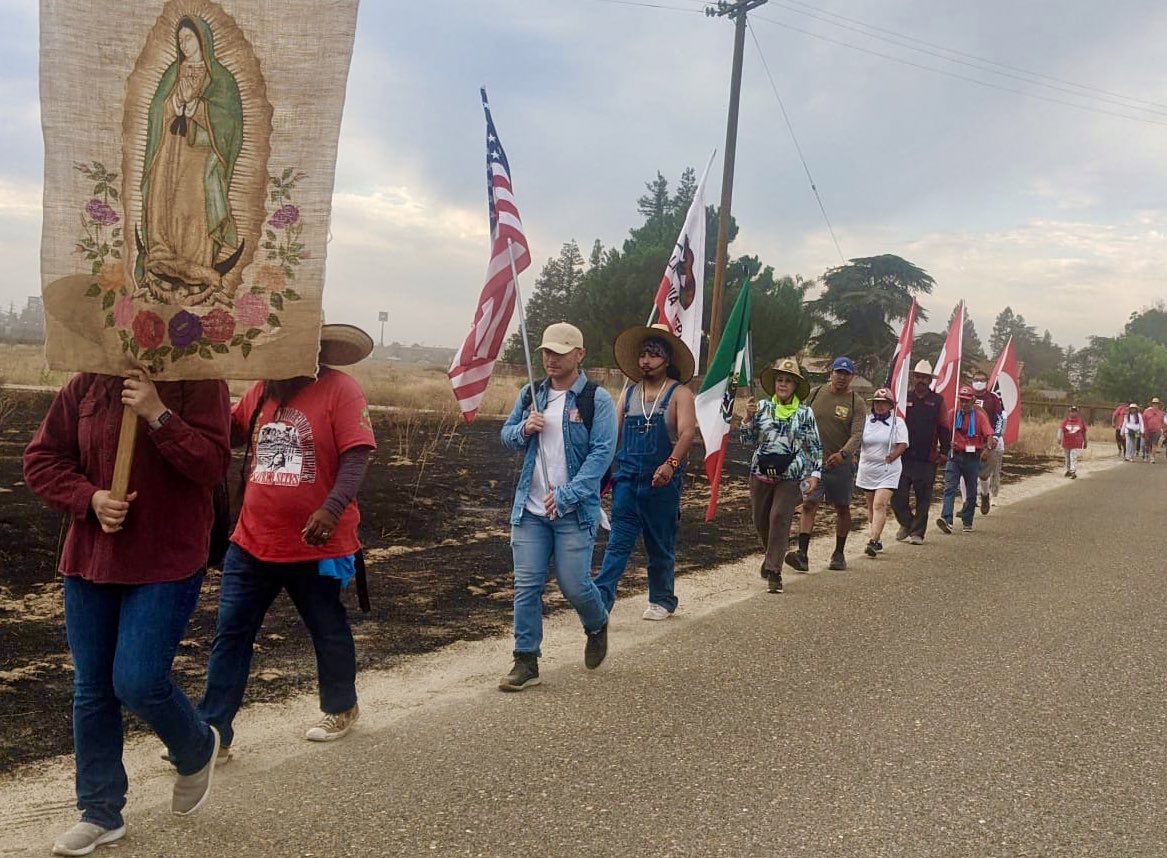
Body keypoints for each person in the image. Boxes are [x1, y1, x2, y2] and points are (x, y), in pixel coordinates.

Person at [23, 370, 231, 855]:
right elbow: (42, 458)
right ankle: (99, 812)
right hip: (91, 559)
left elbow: (212, 466)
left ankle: (197, 746)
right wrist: (89, 498)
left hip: (166, 559)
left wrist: (159, 414)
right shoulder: (87, 384)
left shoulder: (199, 382)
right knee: (91, 688)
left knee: (137, 680)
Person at [197, 325, 376, 752]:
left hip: (317, 543)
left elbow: (357, 454)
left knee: (326, 626)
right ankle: (214, 733)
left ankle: (341, 706)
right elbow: (231, 433)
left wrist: (331, 509)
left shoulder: (341, 390)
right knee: (232, 632)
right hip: (252, 539)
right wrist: (205, 389)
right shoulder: (262, 391)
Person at [498, 322, 616, 691]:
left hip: (573, 512)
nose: (551, 359)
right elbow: (507, 436)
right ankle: (526, 659)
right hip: (530, 510)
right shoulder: (531, 394)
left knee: (574, 585)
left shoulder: (596, 400)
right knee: (527, 586)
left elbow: (601, 455)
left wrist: (567, 494)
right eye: (547, 352)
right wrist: (524, 429)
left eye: (560, 353)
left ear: (579, 355)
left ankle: (596, 623)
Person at [594, 323, 697, 620]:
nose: (645, 361)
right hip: (627, 481)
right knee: (617, 544)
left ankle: (662, 599)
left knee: (659, 544)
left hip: (663, 484)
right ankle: (601, 602)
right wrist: (601, 471)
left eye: (653, 355)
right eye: (642, 355)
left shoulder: (680, 395)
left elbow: (688, 433)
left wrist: (671, 465)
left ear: (667, 360)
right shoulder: (628, 395)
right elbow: (614, 436)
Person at [138, 15, 244, 301]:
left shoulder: (221, 78)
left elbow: (230, 123)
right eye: (181, 39)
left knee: (194, 203)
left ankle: (196, 262)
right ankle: (162, 255)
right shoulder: (173, 73)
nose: (185, 44)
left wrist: (196, 106)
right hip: (170, 149)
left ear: (203, 39)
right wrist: (175, 103)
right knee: (165, 198)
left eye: (189, 38)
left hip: (200, 154)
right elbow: (156, 111)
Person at [741, 358, 823, 594]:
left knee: (779, 517)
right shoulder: (762, 407)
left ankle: (774, 572)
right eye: (780, 379)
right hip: (760, 473)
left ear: (796, 385)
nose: (783, 384)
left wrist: (815, 474)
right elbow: (747, 440)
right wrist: (747, 418)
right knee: (760, 520)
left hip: (790, 476)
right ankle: (771, 555)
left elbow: (815, 446)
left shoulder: (805, 413)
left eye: (788, 380)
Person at [793, 356, 866, 571]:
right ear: (831, 373)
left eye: (846, 374)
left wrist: (843, 454)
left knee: (842, 507)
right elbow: (802, 420)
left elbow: (858, 434)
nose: (841, 377)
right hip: (813, 464)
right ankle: (802, 554)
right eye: (838, 372)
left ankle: (839, 553)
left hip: (841, 465)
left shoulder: (856, 403)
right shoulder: (815, 394)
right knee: (808, 504)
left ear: (851, 377)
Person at [891, 360, 950, 545]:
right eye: (918, 376)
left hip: (927, 458)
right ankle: (907, 523)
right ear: (913, 378)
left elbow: (944, 427)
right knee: (897, 496)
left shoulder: (938, 401)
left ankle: (918, 532)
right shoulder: (903, 399)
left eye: (925, 377)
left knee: (923, 498)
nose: (921, 380)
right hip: (904, 456)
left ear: (929, 380)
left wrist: (945, 451)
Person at [856, 388, 908, 558]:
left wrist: (893, 455)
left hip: (888, 469)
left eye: (884, 403)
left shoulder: (897, 422)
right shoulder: (865, 421)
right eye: (877, 402)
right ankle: (876, 538)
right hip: (868, 468)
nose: (880, 406)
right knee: (871, 506)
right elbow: (857, 439)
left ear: (890, 405)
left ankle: (872, 540)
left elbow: (903, 444)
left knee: (880, 504)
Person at [936, 385, 994, 534]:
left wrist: (987, 449)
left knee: (971, 490)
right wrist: (944, 443)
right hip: (955, 456)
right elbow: (943, 430)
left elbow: (989, 435)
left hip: (972, 457)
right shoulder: (952, 414)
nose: (964, 404)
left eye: (967, 401)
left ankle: (967, 520)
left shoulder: (980, 417)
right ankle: (946, 519)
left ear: (973, 401)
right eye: (961, 400)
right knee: (949, 488)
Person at [971, 369, 1005, 516]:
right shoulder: (966, 395)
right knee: (964, 472)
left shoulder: (993, 398)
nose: (978, 383)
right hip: (969, 440)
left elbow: (999, 419)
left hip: (987, 441)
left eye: (981, 380)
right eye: (976, 380)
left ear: (986, 382)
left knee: (983, 474)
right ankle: (968, 503)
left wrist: (996, 437)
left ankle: (985, 494)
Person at [1058, 406, 1088, 478]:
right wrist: (1059, 437)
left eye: (1074, 411)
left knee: (1073, 456)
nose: (1073, 413)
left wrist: (1086, 441)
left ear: (1077, 413)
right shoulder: (1066, 421)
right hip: (1067, 442)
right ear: (1069, 412)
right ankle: (1068, 470)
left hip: (1076, 442)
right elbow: (1061, 429)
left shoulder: (1080, 421)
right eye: (1071, 411)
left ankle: (1073, 471)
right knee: (1067, 457)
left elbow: (1084, 432)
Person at [1142, 397, 1163, 463]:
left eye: (1156, 404)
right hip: (1148, 430)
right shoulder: (1146, 412)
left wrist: (1163, 430)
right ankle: (1146, 455)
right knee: (1146, 444)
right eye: (1154, 403)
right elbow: (1143, 421)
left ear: (1158, 404)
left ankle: (1153, 458)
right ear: (1152, 404)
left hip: (1157, 431)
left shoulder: (1161, 413)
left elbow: (1162, 422)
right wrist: (1144, 430)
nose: (1155, 405)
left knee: (1154, 444)